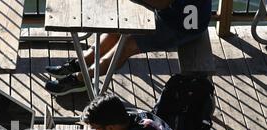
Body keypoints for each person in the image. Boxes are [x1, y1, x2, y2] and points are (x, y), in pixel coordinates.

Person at [45, 0, 212, 96]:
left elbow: (162, 2)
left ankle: (82, 79)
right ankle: (80, 63)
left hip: (183, 26)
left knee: (127, 44)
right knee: (117, 30)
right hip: (177, 14)